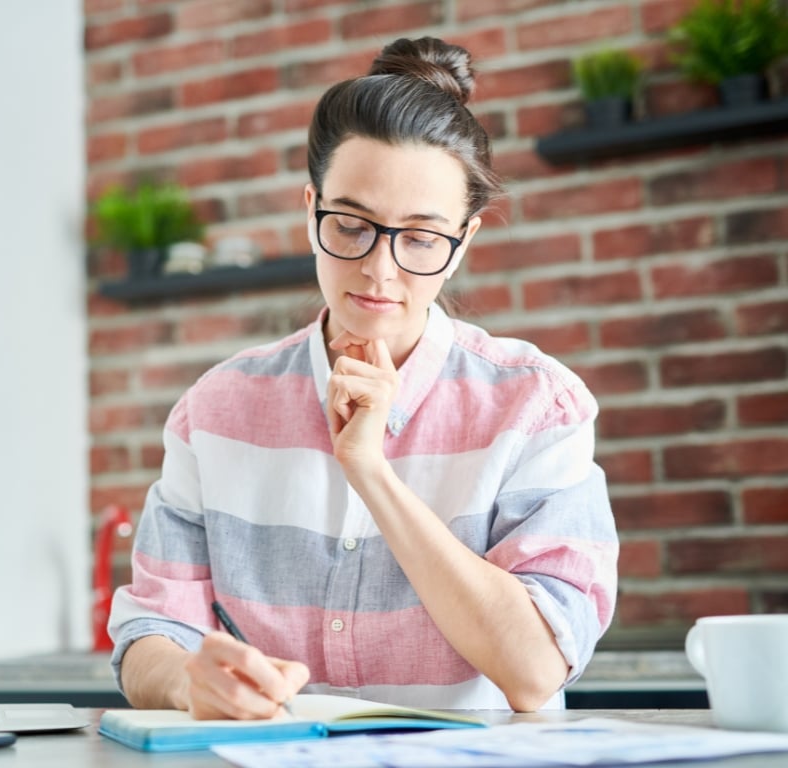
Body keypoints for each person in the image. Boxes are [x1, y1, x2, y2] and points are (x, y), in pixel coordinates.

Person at [107, 37, 618, 718]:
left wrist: (370, 471)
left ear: (462, 241)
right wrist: (186, 681)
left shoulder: (535, 405)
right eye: (350, 225)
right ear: (311, 207)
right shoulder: (215, 411)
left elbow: (534, 668)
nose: (380, 270)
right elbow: (151, 632)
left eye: (420, 237)